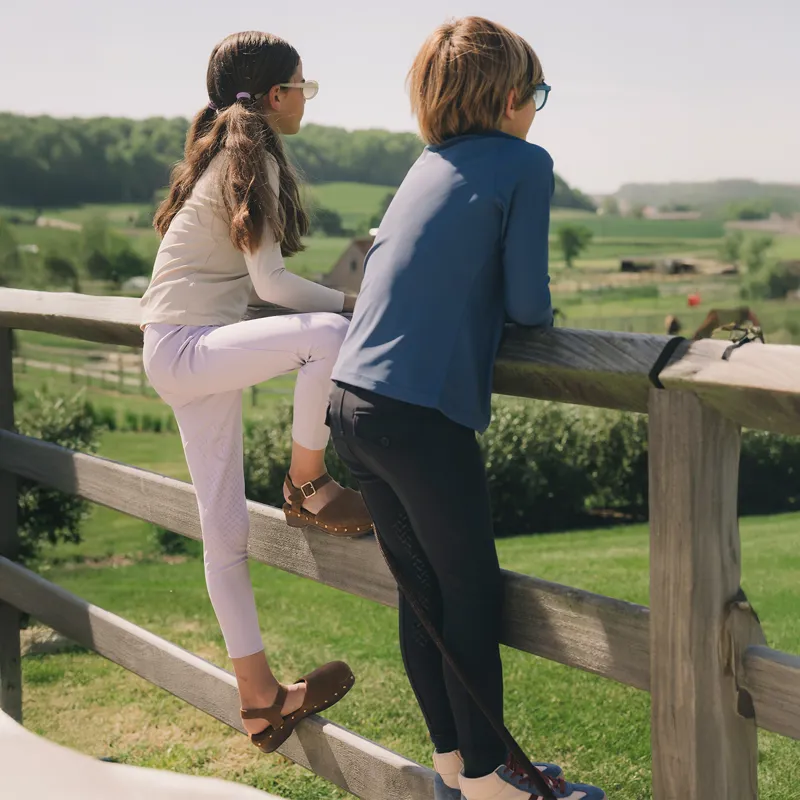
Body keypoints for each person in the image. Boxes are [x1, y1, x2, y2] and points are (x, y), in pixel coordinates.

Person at [326, 17, 606, 800]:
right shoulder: (523, 162)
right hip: (418, 416)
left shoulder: (427, 165)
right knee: (472, 596)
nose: (537, 111)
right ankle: (490, 785)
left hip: (352, 404)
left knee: (425, 593)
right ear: (513, 97)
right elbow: (528, 305)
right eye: (538, 96)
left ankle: (459, 767)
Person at [139, 31, 370, 754]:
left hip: (176, 348)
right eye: (303, 86)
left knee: (225, 533)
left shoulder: (224, 154)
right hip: (188, 347)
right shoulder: (253, 158)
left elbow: (250, 285)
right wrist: (353, 304)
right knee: (325, 339)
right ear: (275, 96)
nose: (306, 98)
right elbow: (270, 286)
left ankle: (261, 700)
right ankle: (307, 486)